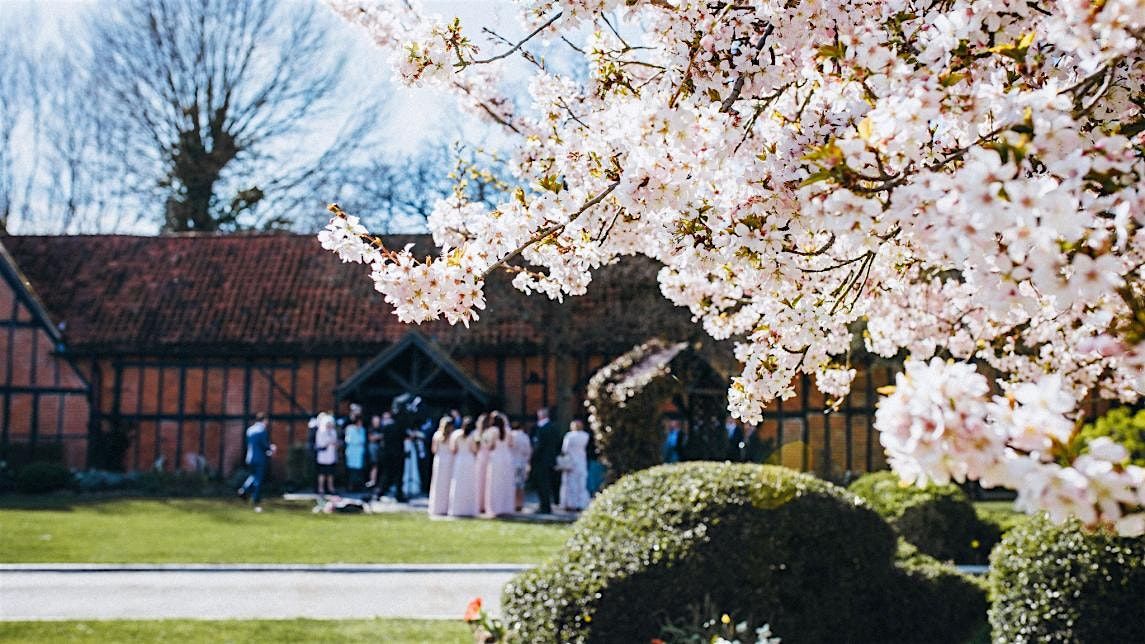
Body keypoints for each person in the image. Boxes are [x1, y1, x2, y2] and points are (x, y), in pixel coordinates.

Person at [237, 412, 275, 511]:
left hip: (250, 457)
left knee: (252, 476)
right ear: (264, 420)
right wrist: (271, 449)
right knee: (258, 479)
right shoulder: (261, 430)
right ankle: (256, 500)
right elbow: (264, 445)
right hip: (260, 458)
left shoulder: (250, 430)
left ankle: (243, 490)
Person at [483, 411, 515, 517]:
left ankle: (495, 508)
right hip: (506, 458)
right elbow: (511, 444)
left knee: (494, 483)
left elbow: (489, 445)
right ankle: (505, 507)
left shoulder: (492, 431)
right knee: (505, 482)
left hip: (496, 458)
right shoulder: (508, 431)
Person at [531, 407, 561, 514]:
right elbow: (558, 443)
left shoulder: (540, 428)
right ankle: (546, 505)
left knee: (542, 484)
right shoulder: (554, 427)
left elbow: (538, 445)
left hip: (541, 460)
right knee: (549, 484)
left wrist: (533, 456)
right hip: (551, 460)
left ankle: (545, 507)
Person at [448, 416, 479, 517]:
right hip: (469, 460)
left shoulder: (456, 434)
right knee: (468, 484)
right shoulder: (472, 436)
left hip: (459, 460)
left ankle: (457, 508)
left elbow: (453, 449)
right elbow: (474, 450)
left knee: (458, 483)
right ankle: (468, 508)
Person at [377, 406, 408, 502]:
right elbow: (405, 437)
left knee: (386, 474)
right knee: (398, 476)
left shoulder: (386, 425)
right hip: (397, 454)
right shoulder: (401, 426)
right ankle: (399, 495)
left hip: (387, 454)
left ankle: (380, 493)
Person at [559, 419, 590, 511]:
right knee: (581, 484)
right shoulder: (585, 435)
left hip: (571, 462)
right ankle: (581, 504)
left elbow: (565, 449)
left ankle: (570, 504)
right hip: (581, 462)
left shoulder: (569, 436)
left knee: (570, 484)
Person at [428, 416, 455, 516]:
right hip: (450, 460)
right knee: (448, 483)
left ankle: (437, 506)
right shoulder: (453, 436)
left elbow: (434, 450)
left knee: (438, 483)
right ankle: (448, 506)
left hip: (439, 460)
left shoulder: (436, 435)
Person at [509, 420, 533, 512]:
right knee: (521, 485)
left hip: (512, 462)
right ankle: (520, 503)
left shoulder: (511, 436)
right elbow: (528, 451)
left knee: (512, 484)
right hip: (522, 462)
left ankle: (513, 503)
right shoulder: (525, 436)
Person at [314, 412, 338, 495]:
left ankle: (331, 488)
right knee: (322, 473)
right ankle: (321, 488)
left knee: (331, 473)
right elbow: (320, 443)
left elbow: (335, 442)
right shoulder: (320, 431)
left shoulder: (333, 432)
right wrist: (328, 442)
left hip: (331, 456)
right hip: (323, 456)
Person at [344, 414, 367, 492]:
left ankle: (358, 487)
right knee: (351, 471)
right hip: (352, 452)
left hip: (359, 452)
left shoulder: (362, 430)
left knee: (359, 471)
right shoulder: (349, 429)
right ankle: (350, 487)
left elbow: (363, 440)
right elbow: (349, 440)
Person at [474, 413, 491, 514]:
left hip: (480, 457)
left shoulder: (477, 433)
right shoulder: (490, 432)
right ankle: (485, 504)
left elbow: (475, 448)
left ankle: (479, 504)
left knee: (479, 481)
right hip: (488, 457)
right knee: (487, 482)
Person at [402, 429, 422, 499]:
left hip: (411, 451)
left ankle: (413, 488)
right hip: (406, 452)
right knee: (406, 470)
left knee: (413, 469)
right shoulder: (406, 443)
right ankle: (405, 488)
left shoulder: (412, 444)